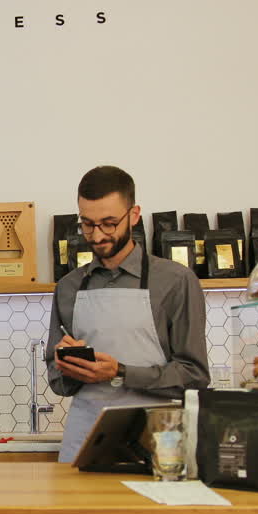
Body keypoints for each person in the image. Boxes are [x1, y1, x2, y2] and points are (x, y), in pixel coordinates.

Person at [47, 166, 209, 463]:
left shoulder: (176, 281)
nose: (97, 236)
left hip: (159, 438)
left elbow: (195, 375)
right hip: (85, 439)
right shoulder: (69, 287)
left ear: (134, 215)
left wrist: (120, 372)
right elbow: (57, 381)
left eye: (109, 223)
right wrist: (69, 368)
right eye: (87, 224)